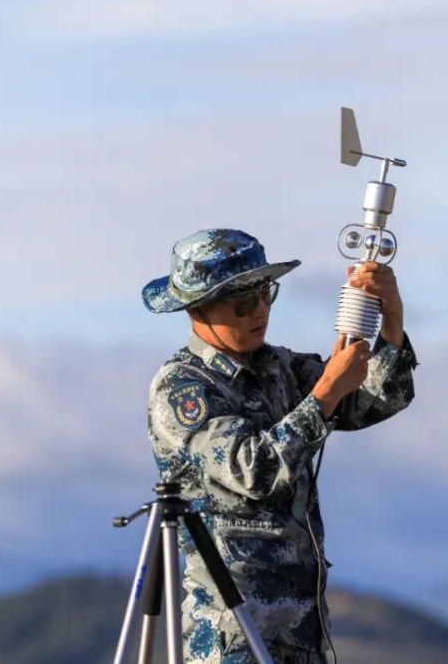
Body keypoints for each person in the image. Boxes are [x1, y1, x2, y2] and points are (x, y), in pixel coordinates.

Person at [142, 228, 417, 663]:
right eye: (244, 303)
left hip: (302, 632)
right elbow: (254, 470)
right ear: (198, 308)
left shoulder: (278, 367)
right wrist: (324, 393)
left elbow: (371, 403)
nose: (262, 311)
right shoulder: (183, 389)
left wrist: (392, 324)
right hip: (233, 635)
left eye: (267, 293)